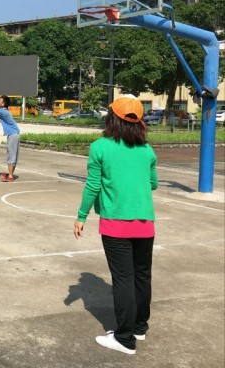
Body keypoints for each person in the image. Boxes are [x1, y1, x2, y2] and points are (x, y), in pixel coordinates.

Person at [73, 97, 158, 355]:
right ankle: (139, 328)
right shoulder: (147, 150)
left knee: (123, 279)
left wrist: (81, 216)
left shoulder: (100, 147)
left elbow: (93, 185)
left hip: (115, 225)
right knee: (142, 277)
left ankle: (124, 339)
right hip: (145, 223)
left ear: (112, 118)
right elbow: (153, 183)